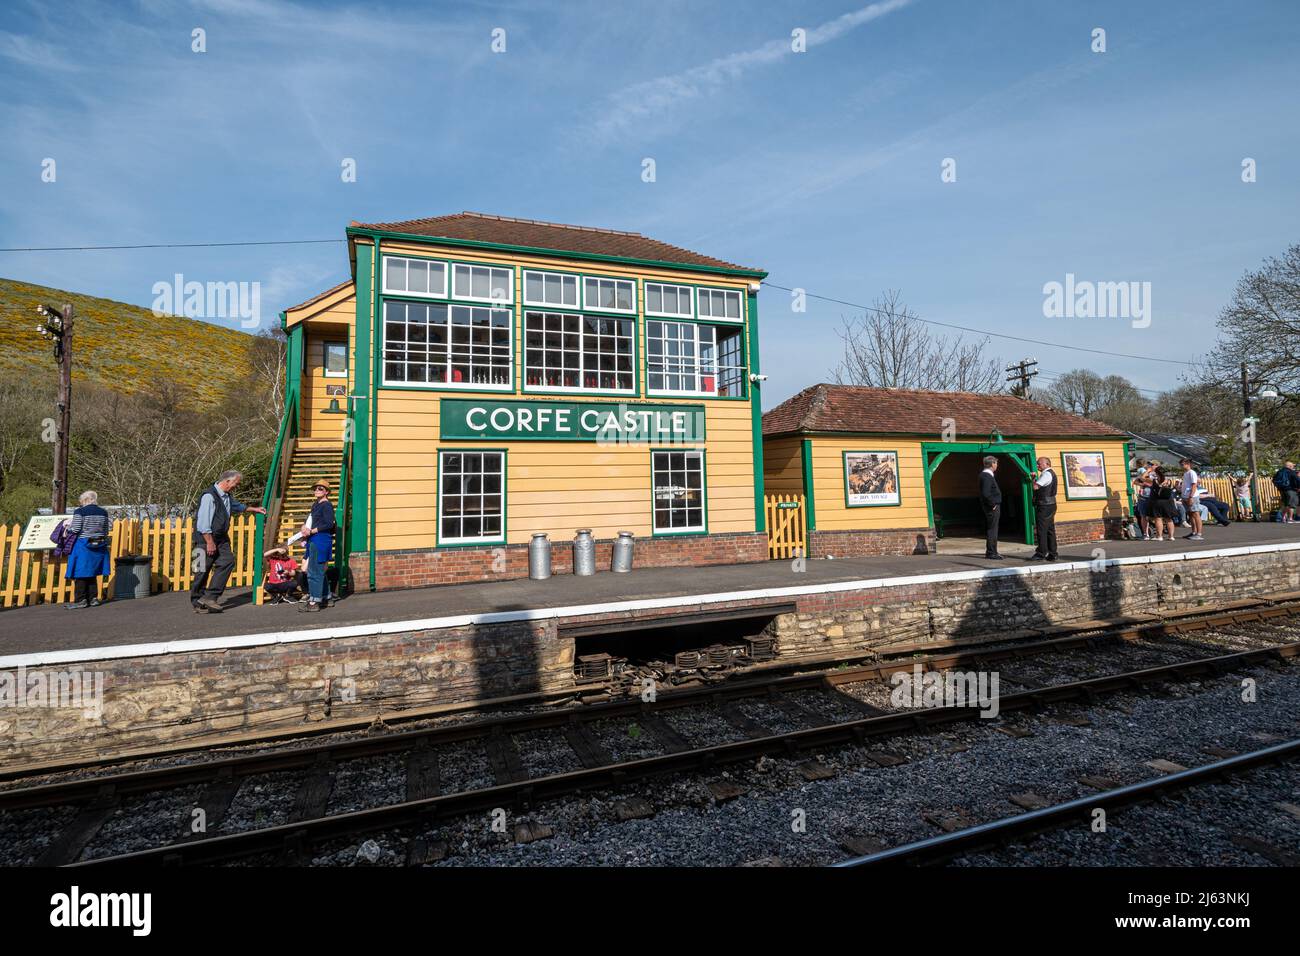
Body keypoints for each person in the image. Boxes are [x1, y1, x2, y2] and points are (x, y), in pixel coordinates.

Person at [192, 470, 266, 613]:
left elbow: (236, 506)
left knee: (227, 562)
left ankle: (211, 597)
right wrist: (209, 542)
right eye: (235, 484)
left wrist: (254, 509)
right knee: (201, 570)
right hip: (204, 539)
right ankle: (197, 601)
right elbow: (203, 523)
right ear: (227, 481)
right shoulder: (209, 496)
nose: (236, 487)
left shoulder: (226, 496)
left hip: (221, 539)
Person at [63, 490, 112, 609]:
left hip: (83, 545)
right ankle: (93, 598)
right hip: (99, 544)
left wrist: (67, 529)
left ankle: (81, 600)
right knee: (92, 572)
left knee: (80, 573)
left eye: (81, 501)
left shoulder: (80, 512)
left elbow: (76, 529)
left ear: (85, 500)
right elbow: (106, 530)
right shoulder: (103, 512)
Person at [299, 481, 337, 612]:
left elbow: (329, 524)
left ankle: (314, 602)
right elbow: (310, 520)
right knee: (318, 571)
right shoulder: (315, 504)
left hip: (320, 541)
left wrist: (312, 531)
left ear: (326, 491)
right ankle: (327, 597)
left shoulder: (326, 505)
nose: (317, 490)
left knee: (314, 572)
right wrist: (304, 527)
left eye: (320, 488)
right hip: (313, 540)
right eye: (315, 488)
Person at [1030, 456, 1058, 561]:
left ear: (1047, 464)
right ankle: (1053, 553)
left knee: (1041, 529)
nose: (1037, 465)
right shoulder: (1051, 473)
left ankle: (1041, 553)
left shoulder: (1046, 474)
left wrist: (1033, 479)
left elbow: (1036, 487)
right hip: (1051, 504)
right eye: (1037, 463)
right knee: (1050, 529)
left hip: (1045, 505)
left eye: (1039, 463)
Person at [979, 455, 1003, 560]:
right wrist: (992, 504)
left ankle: (993, 551)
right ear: (992, 464)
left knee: (993, 529)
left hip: (991, 505)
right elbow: (986, 493)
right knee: (992, 529)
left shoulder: (988, 475)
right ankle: (991, 552)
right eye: (996, 463)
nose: (997, 465)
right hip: (992, 507)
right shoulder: (986, 476)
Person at [1149, 467, 1179, 541]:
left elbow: (1143, 479)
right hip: (1168, 501)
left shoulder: (1155, 480)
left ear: (1156, 473)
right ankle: (1171, 536)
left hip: (1158, 501)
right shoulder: (1168, 480)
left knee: (1158, 518)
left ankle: (1159, 536)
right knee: (1169, 519)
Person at [1179, 458, 1204, 540]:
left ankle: (1199, 533)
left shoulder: (1192, 473)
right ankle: (1193, 532)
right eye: (1181, 465)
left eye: (1182, 464)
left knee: (1196, 514)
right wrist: (1183, 496)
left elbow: (1194, 485)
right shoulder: (1186, 473)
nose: (1181, 466)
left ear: (1188, 464)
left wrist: (1190, 497)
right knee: (1190, 515)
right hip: (1186, 496)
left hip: (1192, 496)